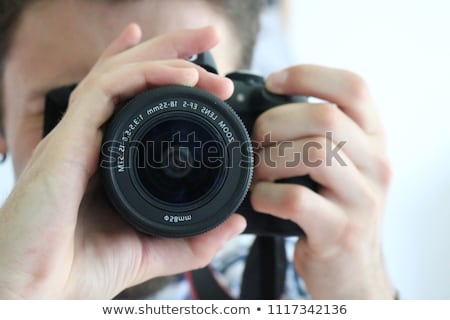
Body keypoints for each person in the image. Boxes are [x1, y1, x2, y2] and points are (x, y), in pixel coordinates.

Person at [0, 0, 395, 299]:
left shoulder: (283, 284)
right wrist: (21, 291)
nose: (126, 146)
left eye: (186, 100)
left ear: (246, 121)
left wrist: (362, 290)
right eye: (70, 108)